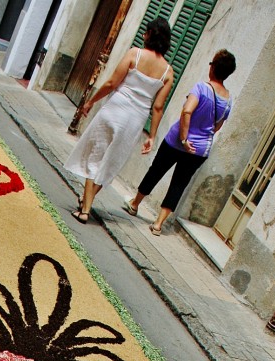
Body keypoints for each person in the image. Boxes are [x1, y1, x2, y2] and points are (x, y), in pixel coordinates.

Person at [65, 17, 173, 224]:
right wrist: (152, 136)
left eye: (146, 32)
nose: (143, 35)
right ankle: (86, 200)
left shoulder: (135, 54)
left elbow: (113, 82)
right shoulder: (168, 72)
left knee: (96, 156)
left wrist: (90, 102)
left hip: (116, 109)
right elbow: (158, 107)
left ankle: (85, 210)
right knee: (112, 162)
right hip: (136, 118)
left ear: (150, 35)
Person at [125, 49, 236, 234]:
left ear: (213, 68)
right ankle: (158, 224)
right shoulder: (228, 100)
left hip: (177, 141)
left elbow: (186, 111)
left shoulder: (201, 88)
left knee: (157, 170)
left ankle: (135, 204)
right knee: (179, 184)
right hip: (199, 150)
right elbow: (217, 127)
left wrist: (185, 138)